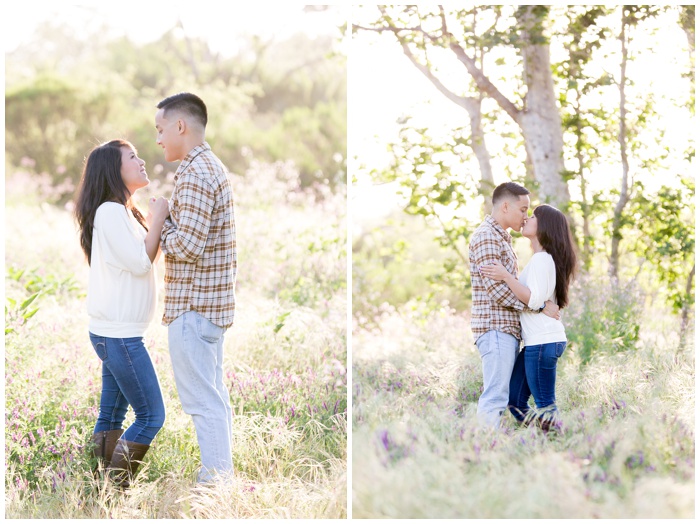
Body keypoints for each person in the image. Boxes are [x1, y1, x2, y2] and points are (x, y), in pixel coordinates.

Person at [74, 139, 170, 488]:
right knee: (151, 416)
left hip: (115, 332)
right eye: (133, 157)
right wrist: (158, 217)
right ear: (114, 169)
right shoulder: (111, 211)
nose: (142, 161)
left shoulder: (121, 211)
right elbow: (141, 261)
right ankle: (115, 492)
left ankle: (97, 490)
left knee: (112, 413)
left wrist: (153, 220)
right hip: (119, 335)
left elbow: (140, 258)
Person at [154, 92, 237, 483]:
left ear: (180, 126)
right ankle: (221, 479)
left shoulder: (196, 172)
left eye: (160, 129)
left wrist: (159, 221)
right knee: (213, 399)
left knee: (203, 402)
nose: (158, 139)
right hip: (207, 308)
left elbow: (187, 245)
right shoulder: (208, 166)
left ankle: (215, 484)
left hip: (194, 307)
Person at [468, 182, 559, 429]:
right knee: (496, 394)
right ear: (505, 206)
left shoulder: (501, 238)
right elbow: (497, 291)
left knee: (506, 395)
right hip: (495, 328)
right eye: (523, 209)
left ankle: (541, 435)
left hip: (505, 330)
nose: (525, 216)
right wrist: (538, 307)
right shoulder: (487, 236)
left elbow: (509, 286)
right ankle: (486, 450)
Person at [480, 204, 576, 432]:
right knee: (515, 401)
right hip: (536, 343)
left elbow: (533, 301)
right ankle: (545, 436)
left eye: (532, 216)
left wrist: (505, 276)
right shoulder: (540, 259)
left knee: (545, 404)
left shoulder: (543, 259)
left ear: (543, 226)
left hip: (543, 342)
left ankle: (560, 442)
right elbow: (537, 300)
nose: (526, 218)